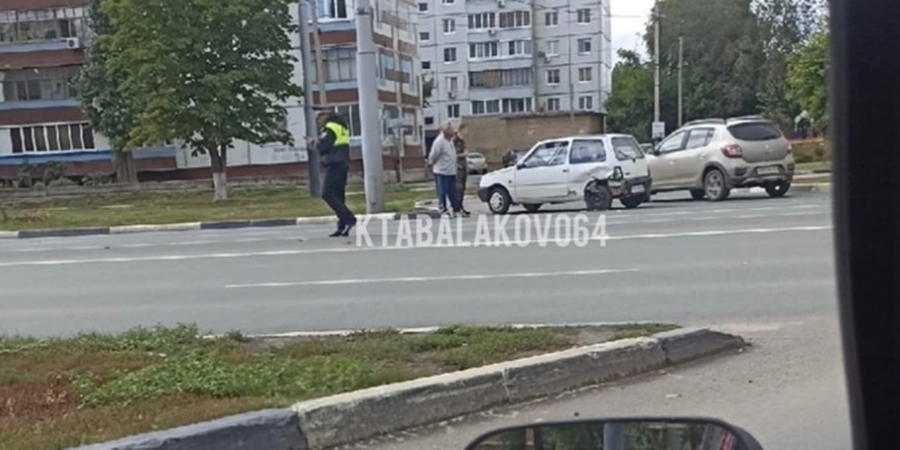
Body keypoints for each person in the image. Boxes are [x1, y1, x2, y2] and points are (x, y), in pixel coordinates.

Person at [311, 109, 356, 237]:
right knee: (338, 196)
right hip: (342, 163)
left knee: (327, 194)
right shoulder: (341, 126)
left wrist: (313, 143)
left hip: (334, 164)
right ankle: (342, 226)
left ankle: (349, 219)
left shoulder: (330, 127)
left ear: (327, 115)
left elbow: (323, 146)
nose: (318, 120)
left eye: (320, 116)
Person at [427, 122, 463, 218]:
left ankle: (456, 209)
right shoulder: (439, 141)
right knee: (442, 191)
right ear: (445, 131)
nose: (453, 131)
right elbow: (433, 155)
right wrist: (430, 163)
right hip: (442, 171)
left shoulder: (450, 141)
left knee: (453, 192)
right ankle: (443, 210)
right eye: (450, 129)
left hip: (451, 171)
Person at [452, 123, 471, 217]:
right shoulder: (454, 141)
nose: (467, 132)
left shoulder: (462, 141)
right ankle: (456, 208)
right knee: (458, 189)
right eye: (466, 130)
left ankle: (461, 206)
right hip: (457, 167)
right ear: (461, 130)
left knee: (462, 188)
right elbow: (453, 155)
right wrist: (463, 154)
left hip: (463, 167)